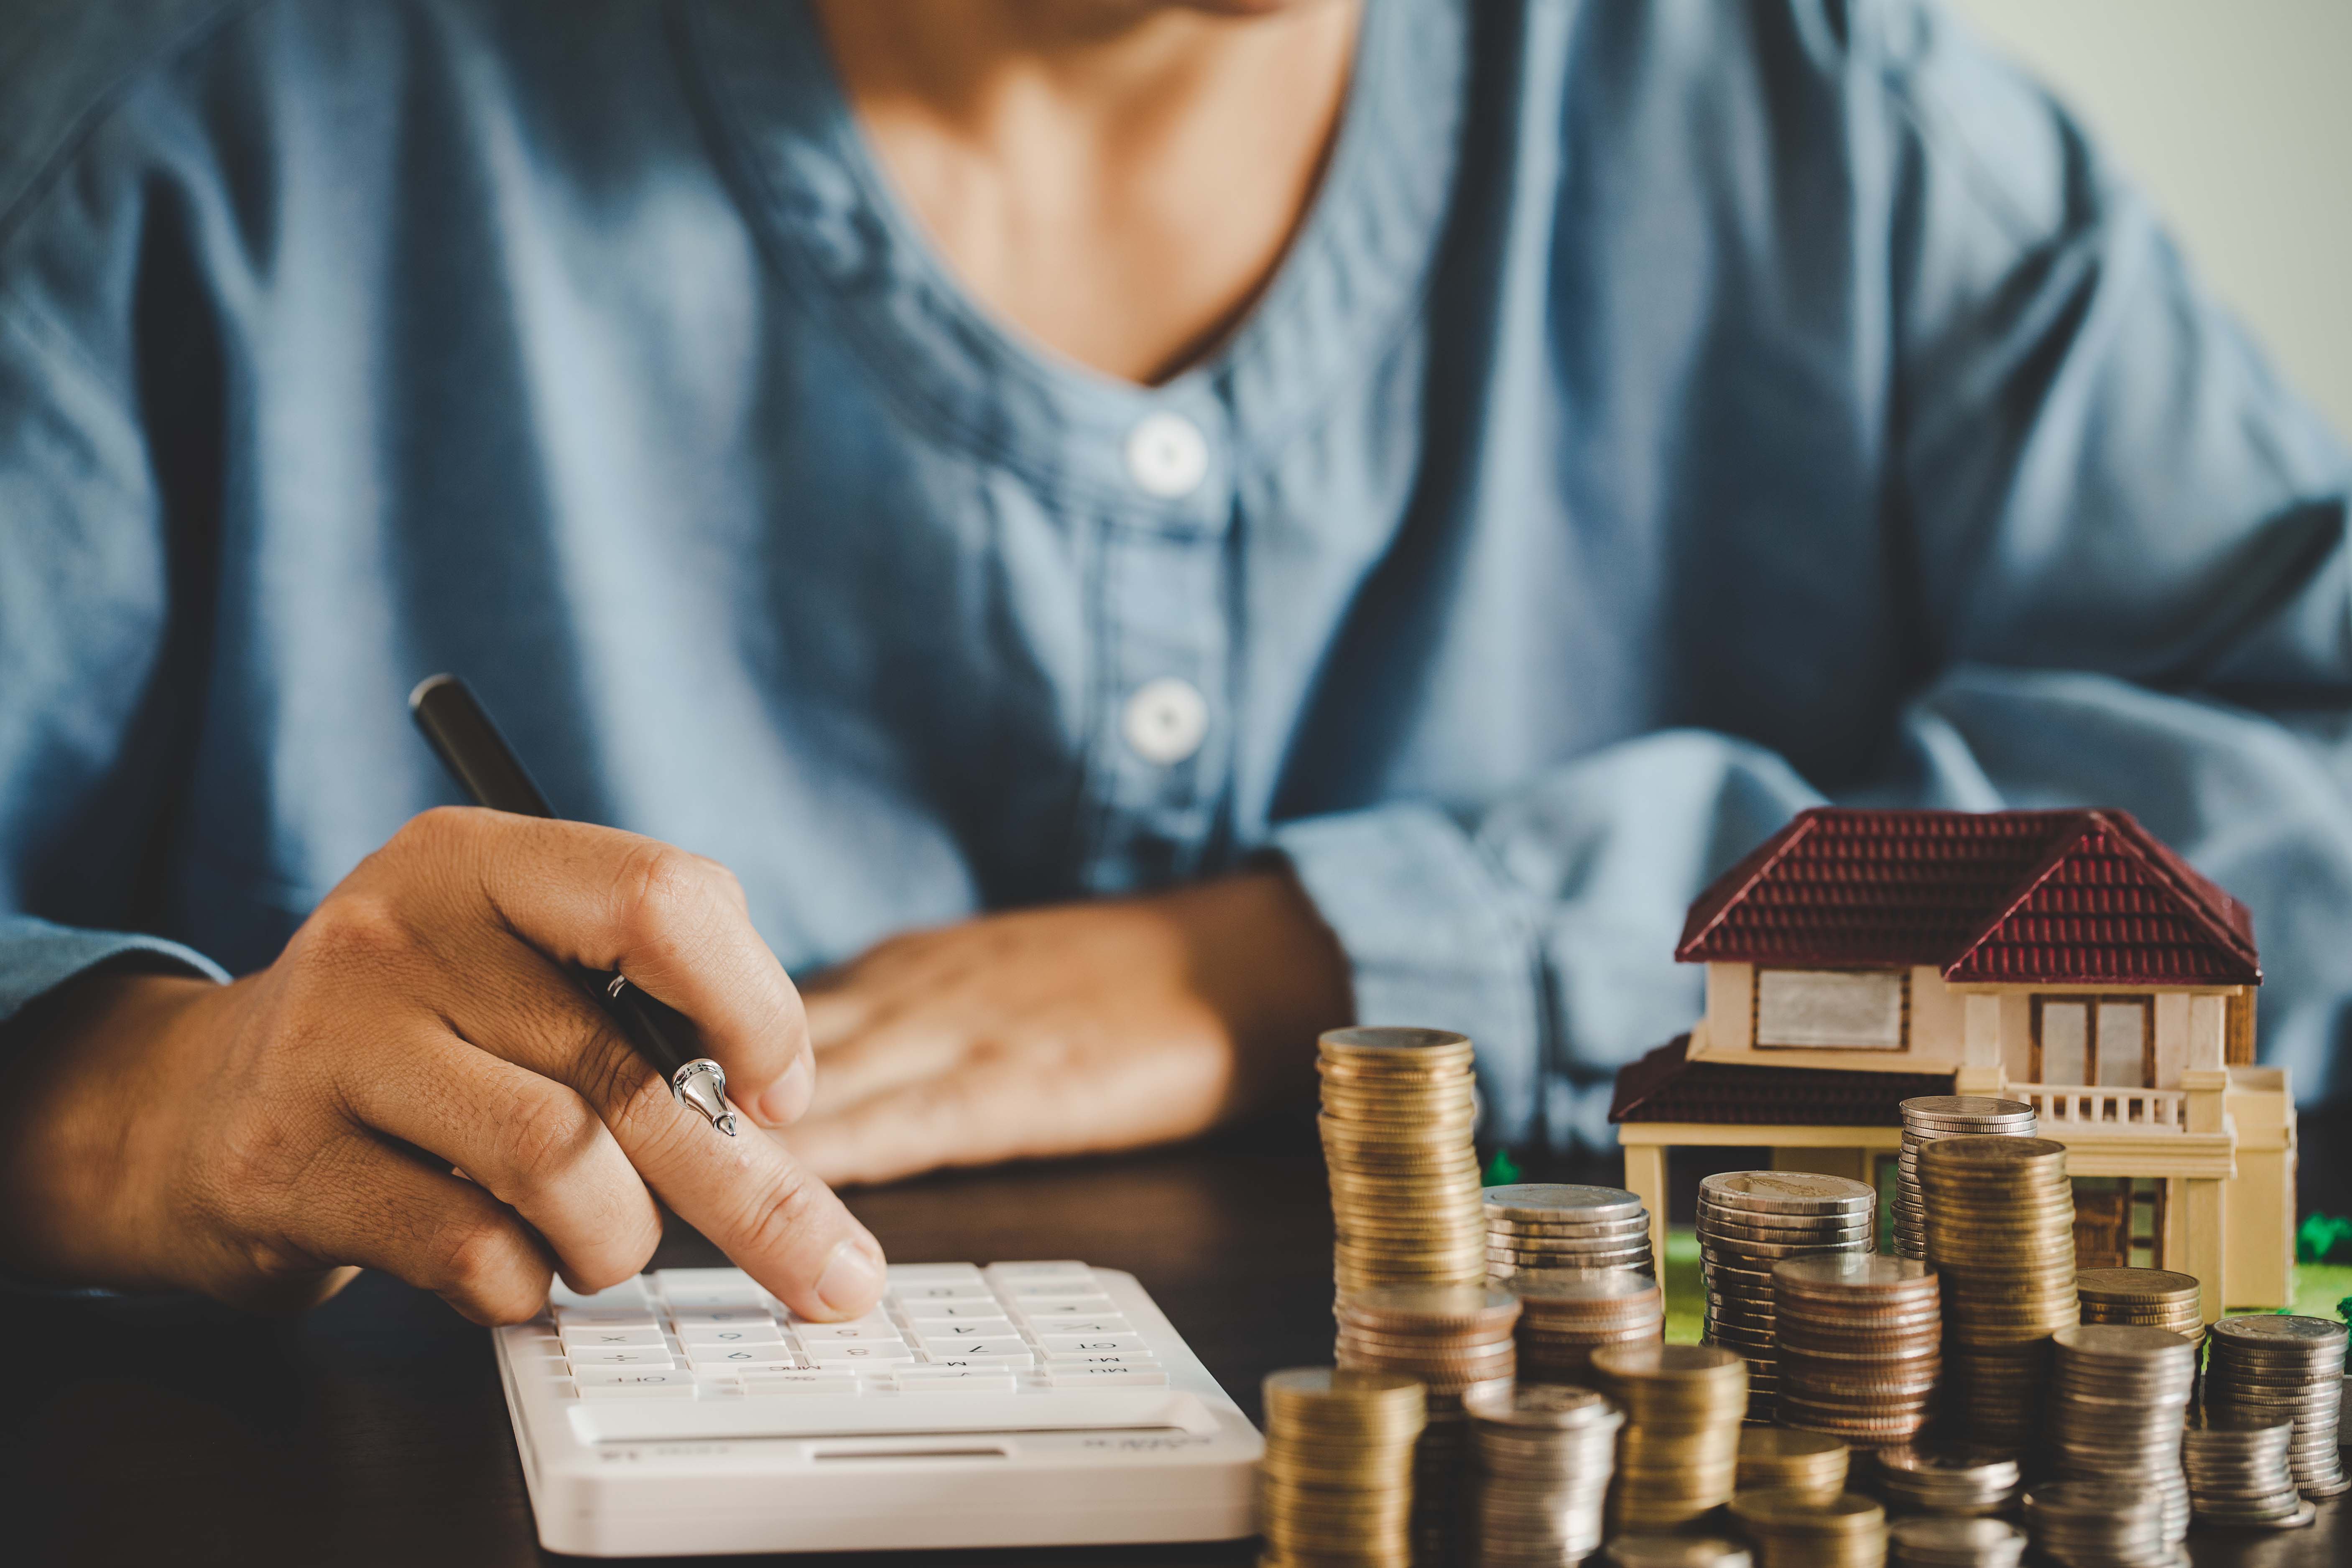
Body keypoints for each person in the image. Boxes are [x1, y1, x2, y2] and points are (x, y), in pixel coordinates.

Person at [0, 0, 2345, 1326]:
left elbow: (2304, 770)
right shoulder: (185, 142)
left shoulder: (1848, 136)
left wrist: (1317, 952)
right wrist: (141, 1099)